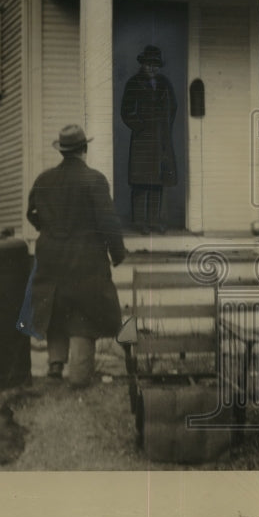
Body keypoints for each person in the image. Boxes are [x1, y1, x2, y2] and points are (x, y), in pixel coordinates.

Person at [26, 124, 127, 386]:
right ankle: (79, 375)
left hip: (50, 256)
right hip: (86, 258)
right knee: (84, 311)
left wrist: (48, 231)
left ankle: (55, 363)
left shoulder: (43, 180)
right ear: (84, 149)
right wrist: (117, 253)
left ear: (62, 151)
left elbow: (32, 214)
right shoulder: (94, 179)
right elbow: (108, 222)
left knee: (56, 306)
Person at [121, 45, 179, 234]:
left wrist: (164, 127)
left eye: (155, 64)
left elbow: (173, 107)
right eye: (148, 64)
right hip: (142, 140)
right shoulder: (133, 83)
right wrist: (141, 127)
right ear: (142, 64)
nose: (152, 68)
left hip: (162, 140)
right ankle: (139, 223)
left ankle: (154, 222)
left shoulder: (165, 84)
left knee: (157, 181)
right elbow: (126, 112)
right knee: (140, 182)